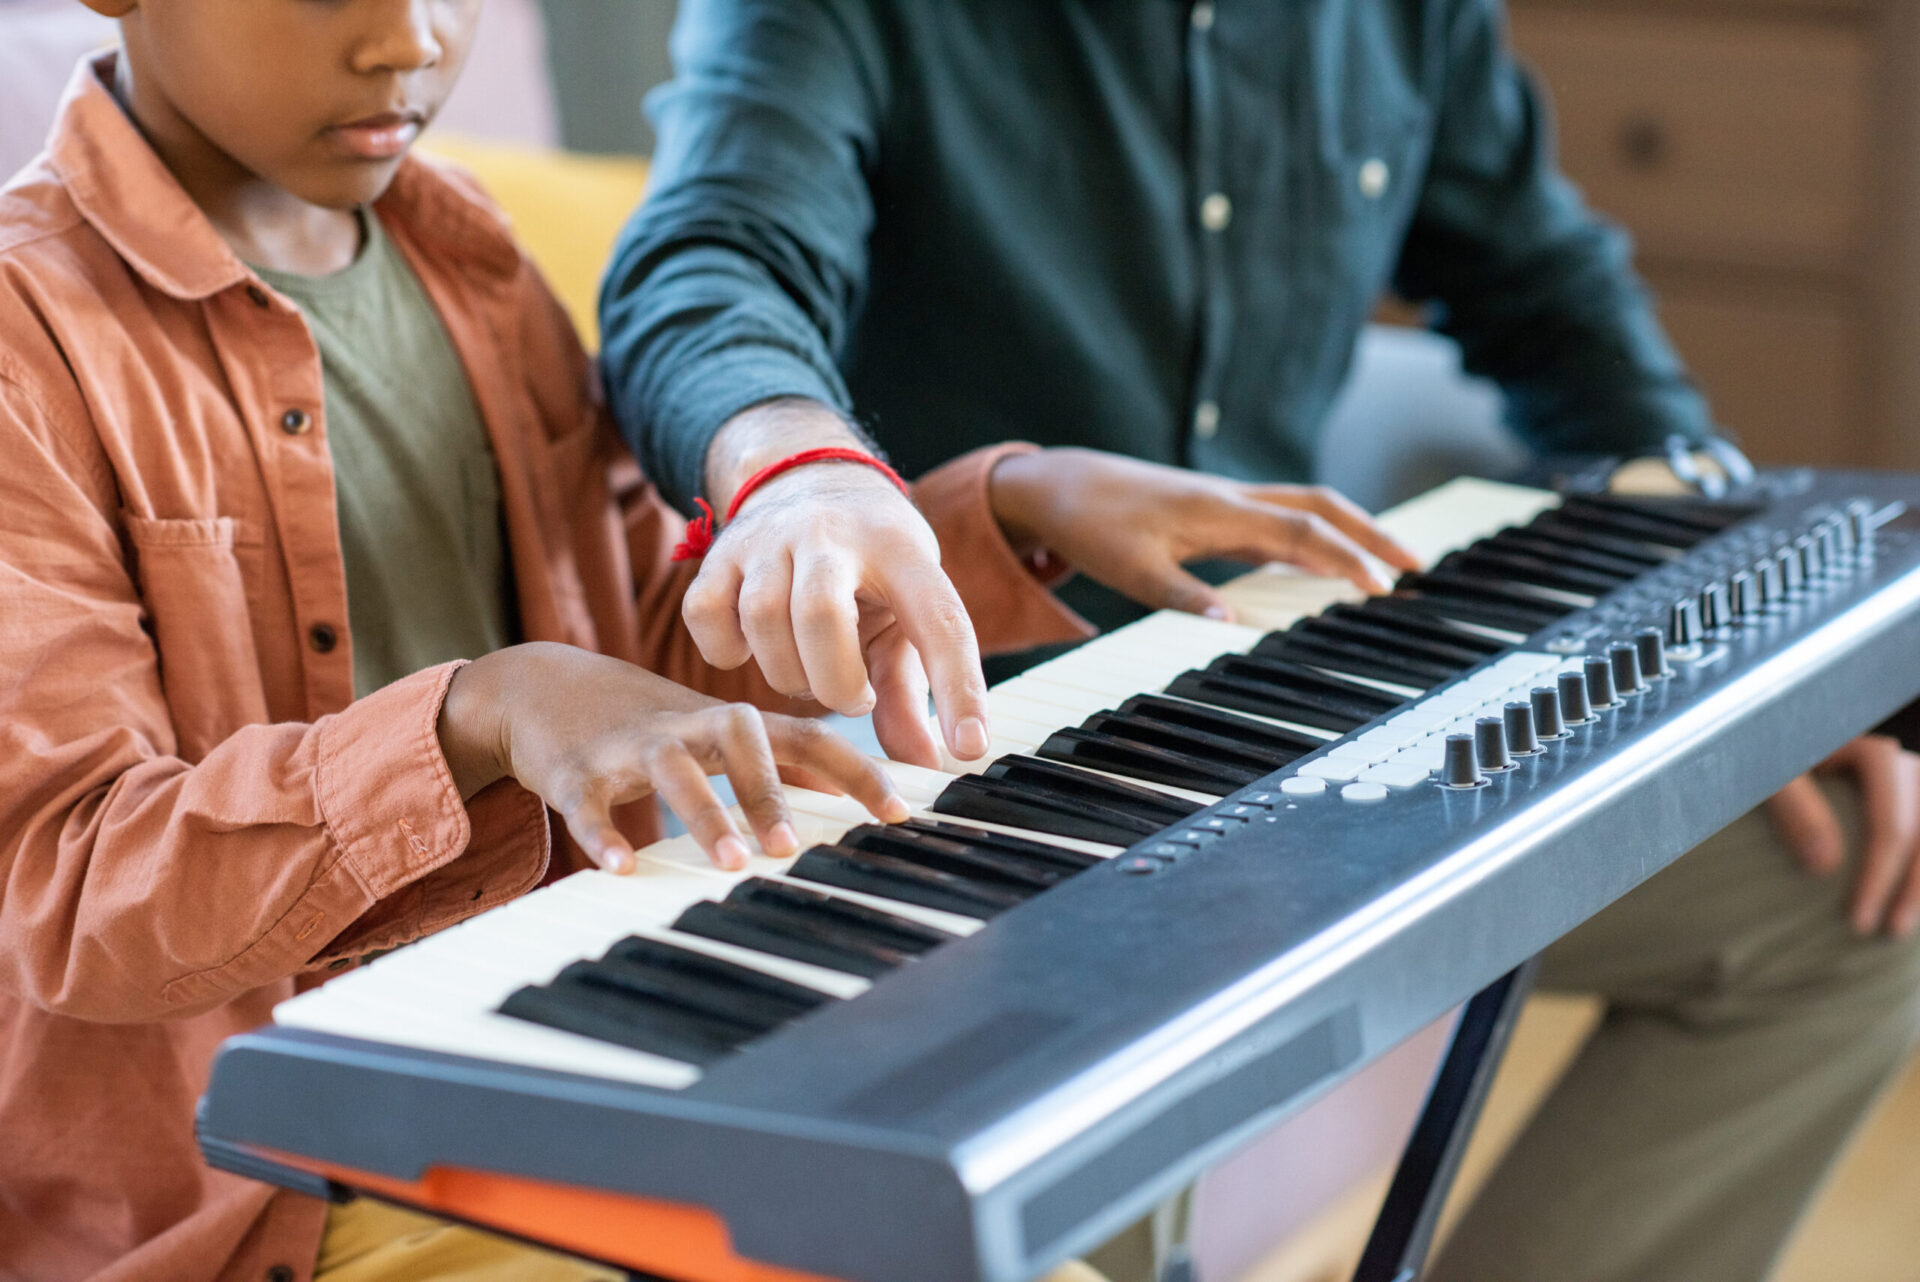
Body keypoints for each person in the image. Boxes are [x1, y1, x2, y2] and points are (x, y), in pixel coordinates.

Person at [0, 2, 1423, 1279]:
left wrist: (1003, 510)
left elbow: (643, 675)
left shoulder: (467, 252)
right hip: (278, 1196)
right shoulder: (28, 342)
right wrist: (482, 710)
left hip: (584, 1070)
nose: (410, 39)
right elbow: (67, 891)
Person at [598, 3, 1920, 1280]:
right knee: (1043, 1143)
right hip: (966, 775)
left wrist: (1757, 624)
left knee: (1859, 897)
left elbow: (1545, 287)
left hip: (1297, 711)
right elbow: (710, 255)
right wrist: (800, 464)